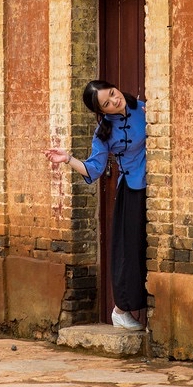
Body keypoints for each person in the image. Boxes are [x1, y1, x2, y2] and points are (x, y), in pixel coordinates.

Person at [44, 80, 148, 331]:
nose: (114, 101)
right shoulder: (104, 133)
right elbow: (93, 170)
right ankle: (121, 310)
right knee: (130, 250)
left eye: (113, 94)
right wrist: (67, 159)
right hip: (132, 190)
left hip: (158, 189)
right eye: (106, 103)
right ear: (102, 111)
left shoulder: (143, 108)